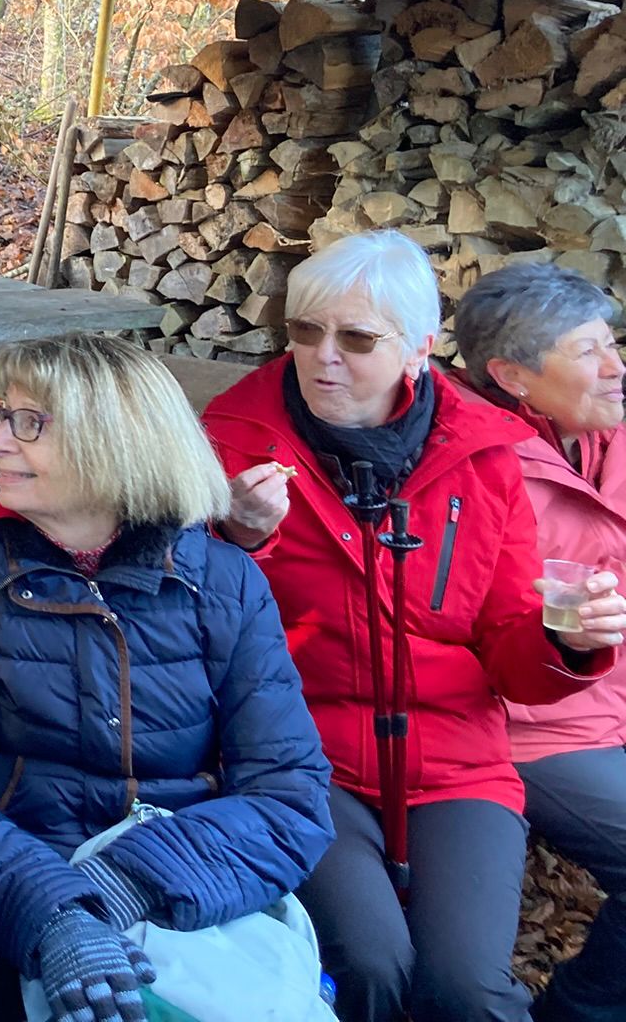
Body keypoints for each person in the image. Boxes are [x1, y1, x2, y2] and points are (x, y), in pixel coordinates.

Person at [203, 230, 625, 1022]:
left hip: (458, 756)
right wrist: (236, 541)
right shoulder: (232, 440)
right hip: (302, 751)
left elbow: (509, 649)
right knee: (372, 966)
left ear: (420, 349)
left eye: (357, 339)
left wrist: (565, 644)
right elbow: (186, 628)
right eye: (304, 331)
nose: (323, 357)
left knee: (467, 990)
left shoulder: (486, 454)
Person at [0, 333, 333, 1022]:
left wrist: (124, 885)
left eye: (28, 423)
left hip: (195, 887)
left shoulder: (226, 584)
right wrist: (55, 913)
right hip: (21, 898)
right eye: (0, 415)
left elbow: (289, 794)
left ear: (115, 443)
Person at [453, 264, 626, 1022]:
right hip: (533, 724)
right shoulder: (471, 467)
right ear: (512, 375)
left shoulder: (607, 435)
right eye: (589, 351)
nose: (616, 366)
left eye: (612, 343)